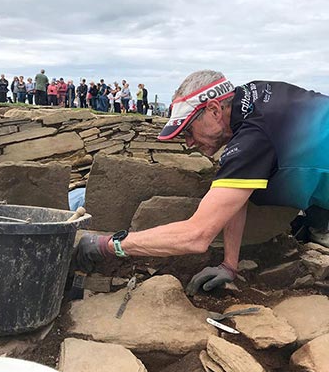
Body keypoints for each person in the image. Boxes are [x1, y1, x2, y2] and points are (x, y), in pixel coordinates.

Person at [73, 69, 329, 294]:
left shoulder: (253, 139)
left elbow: (196, 236)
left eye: (188, 130)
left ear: (214, 110)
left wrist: (109, 245)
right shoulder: (255, 97)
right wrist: (230, 264)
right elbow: (236, 197)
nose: (189, 143)